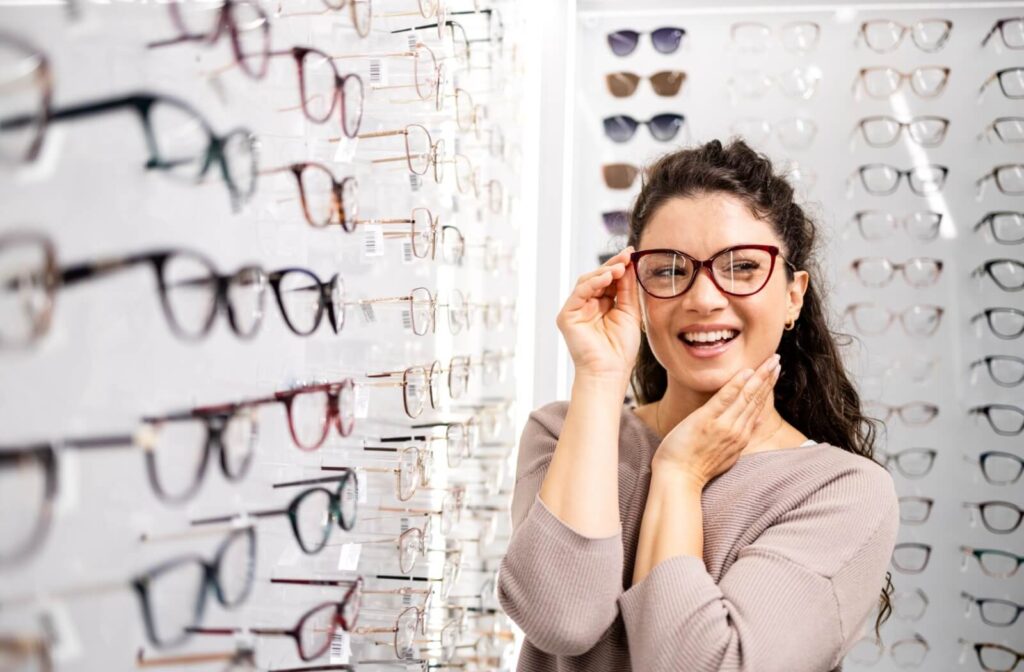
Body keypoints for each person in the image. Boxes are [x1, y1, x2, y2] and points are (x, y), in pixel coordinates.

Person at [497, 139, 899, 672]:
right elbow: (561, 620)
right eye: (667, 270)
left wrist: (680, 475)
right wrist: (599, 375)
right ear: (635, 291)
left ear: (793, 296)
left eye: (741, 267)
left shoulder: (840, 491)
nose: (703, 298)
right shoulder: (560, 432)